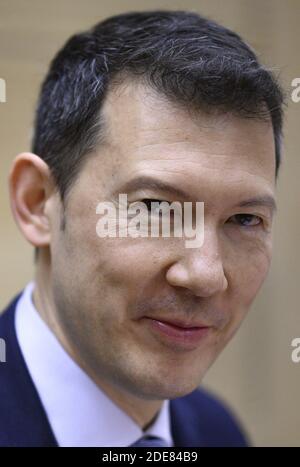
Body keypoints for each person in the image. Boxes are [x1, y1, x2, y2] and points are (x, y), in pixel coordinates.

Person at [0, 10, 284, 447]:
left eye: (244, 219)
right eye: (155, 207)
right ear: (38, 203)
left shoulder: (217, 431)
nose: (206, 275)